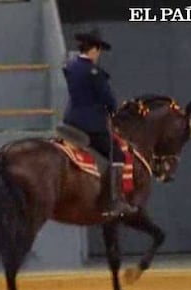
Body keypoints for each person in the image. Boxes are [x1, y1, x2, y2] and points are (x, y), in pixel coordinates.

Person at [62, 29, 136, 218]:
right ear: (93, 50)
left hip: (71, 120)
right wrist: (113, 112)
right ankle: (115, 200)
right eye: (99, 51)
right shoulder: (94, 72)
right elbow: (108, 99)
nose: (99, 55)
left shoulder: (71, 66)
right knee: (117, 154)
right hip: (90, 125)